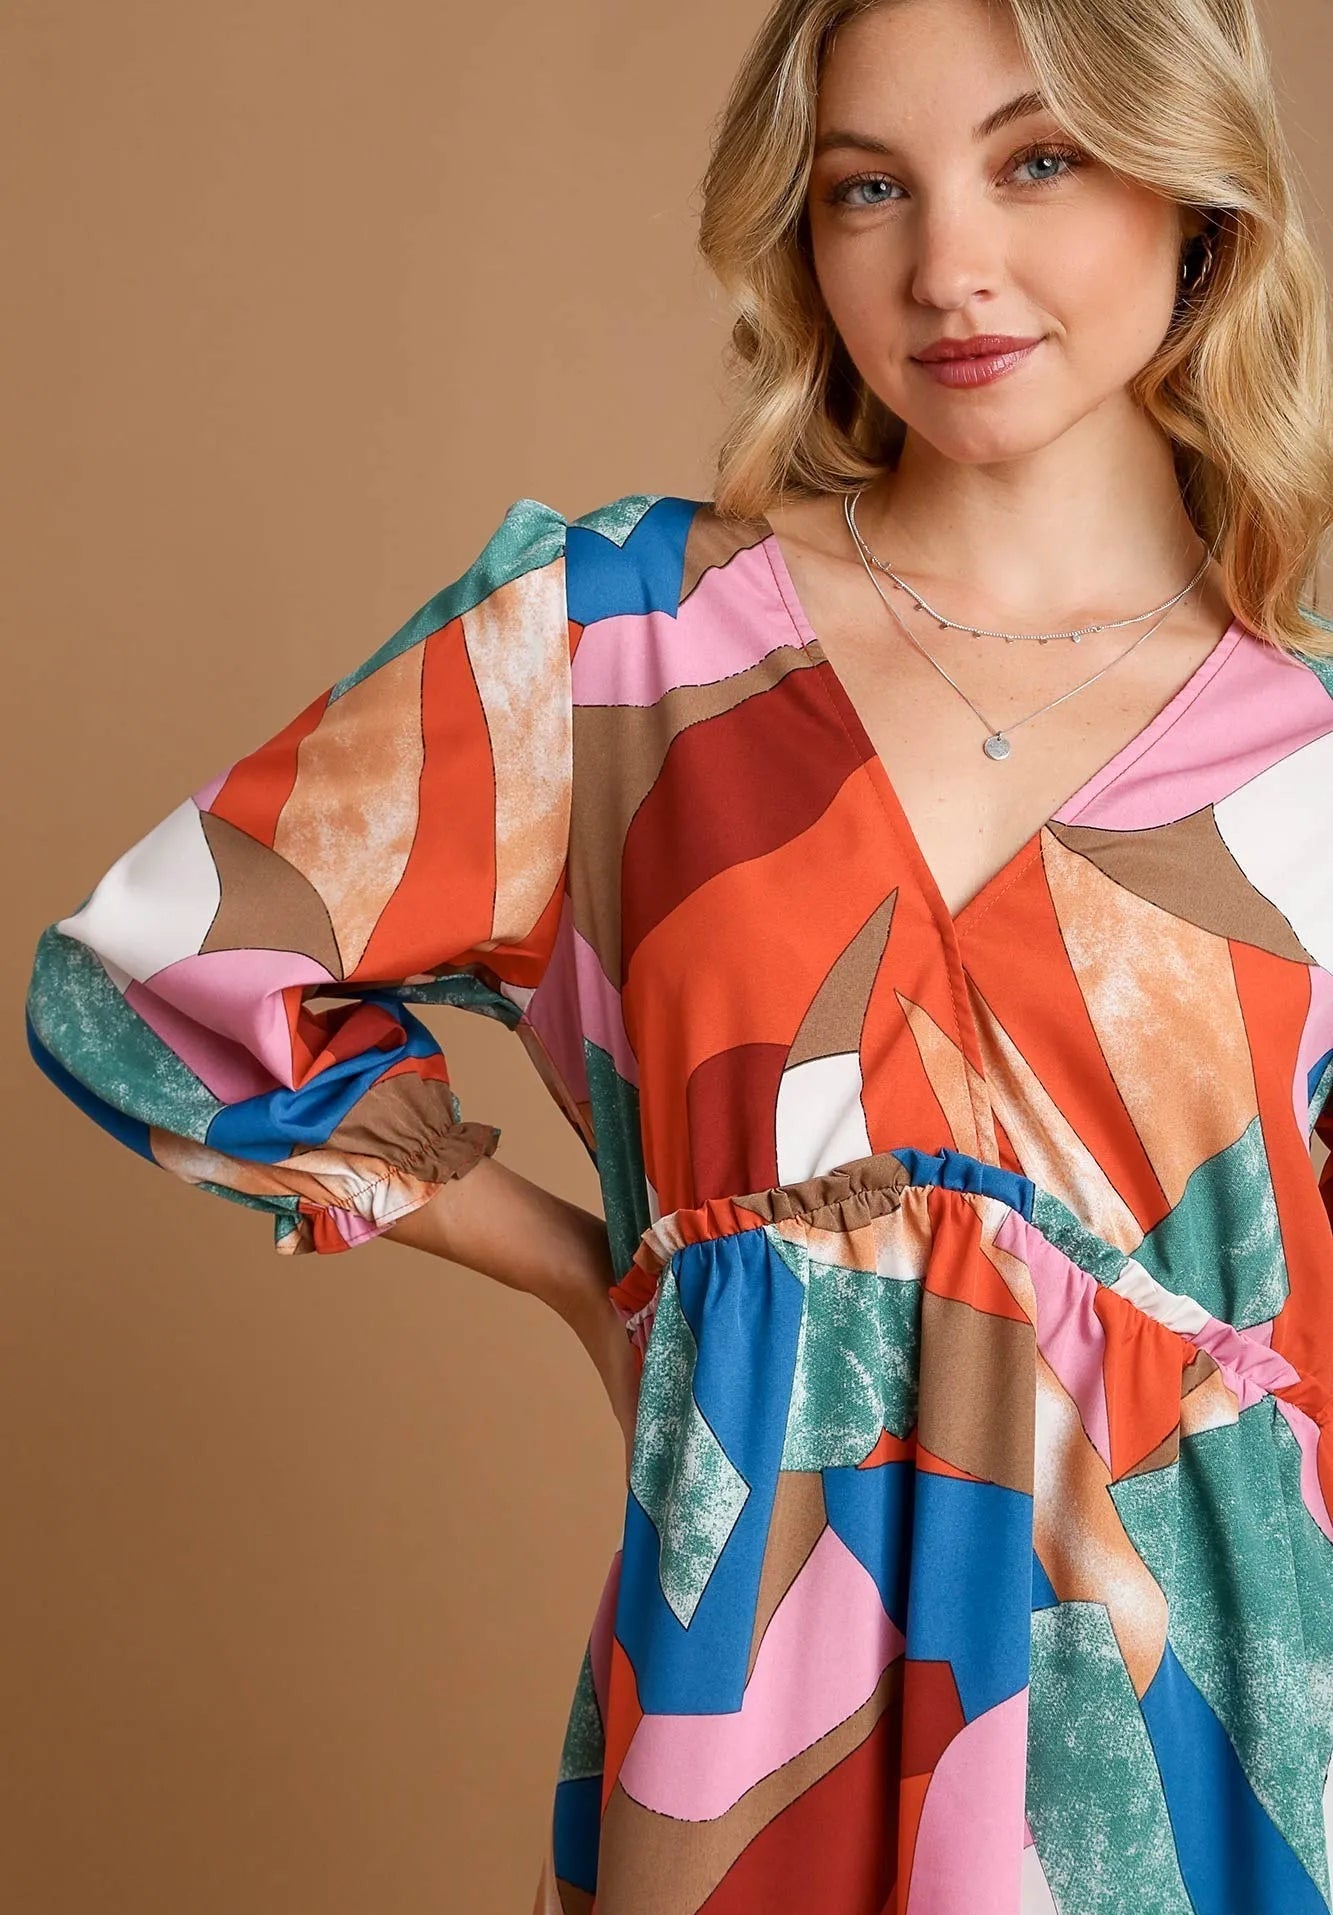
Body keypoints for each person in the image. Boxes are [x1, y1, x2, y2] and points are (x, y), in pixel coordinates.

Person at [23, 0, 1333, 1907]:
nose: (948, 263)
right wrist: (585, 1279)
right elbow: (154, 962)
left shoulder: (1309, 750)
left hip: (1210, 1748)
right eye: (862, 190)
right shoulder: (631, 643)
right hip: (742, 1730)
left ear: (1195, 197)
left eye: (1037, 158)